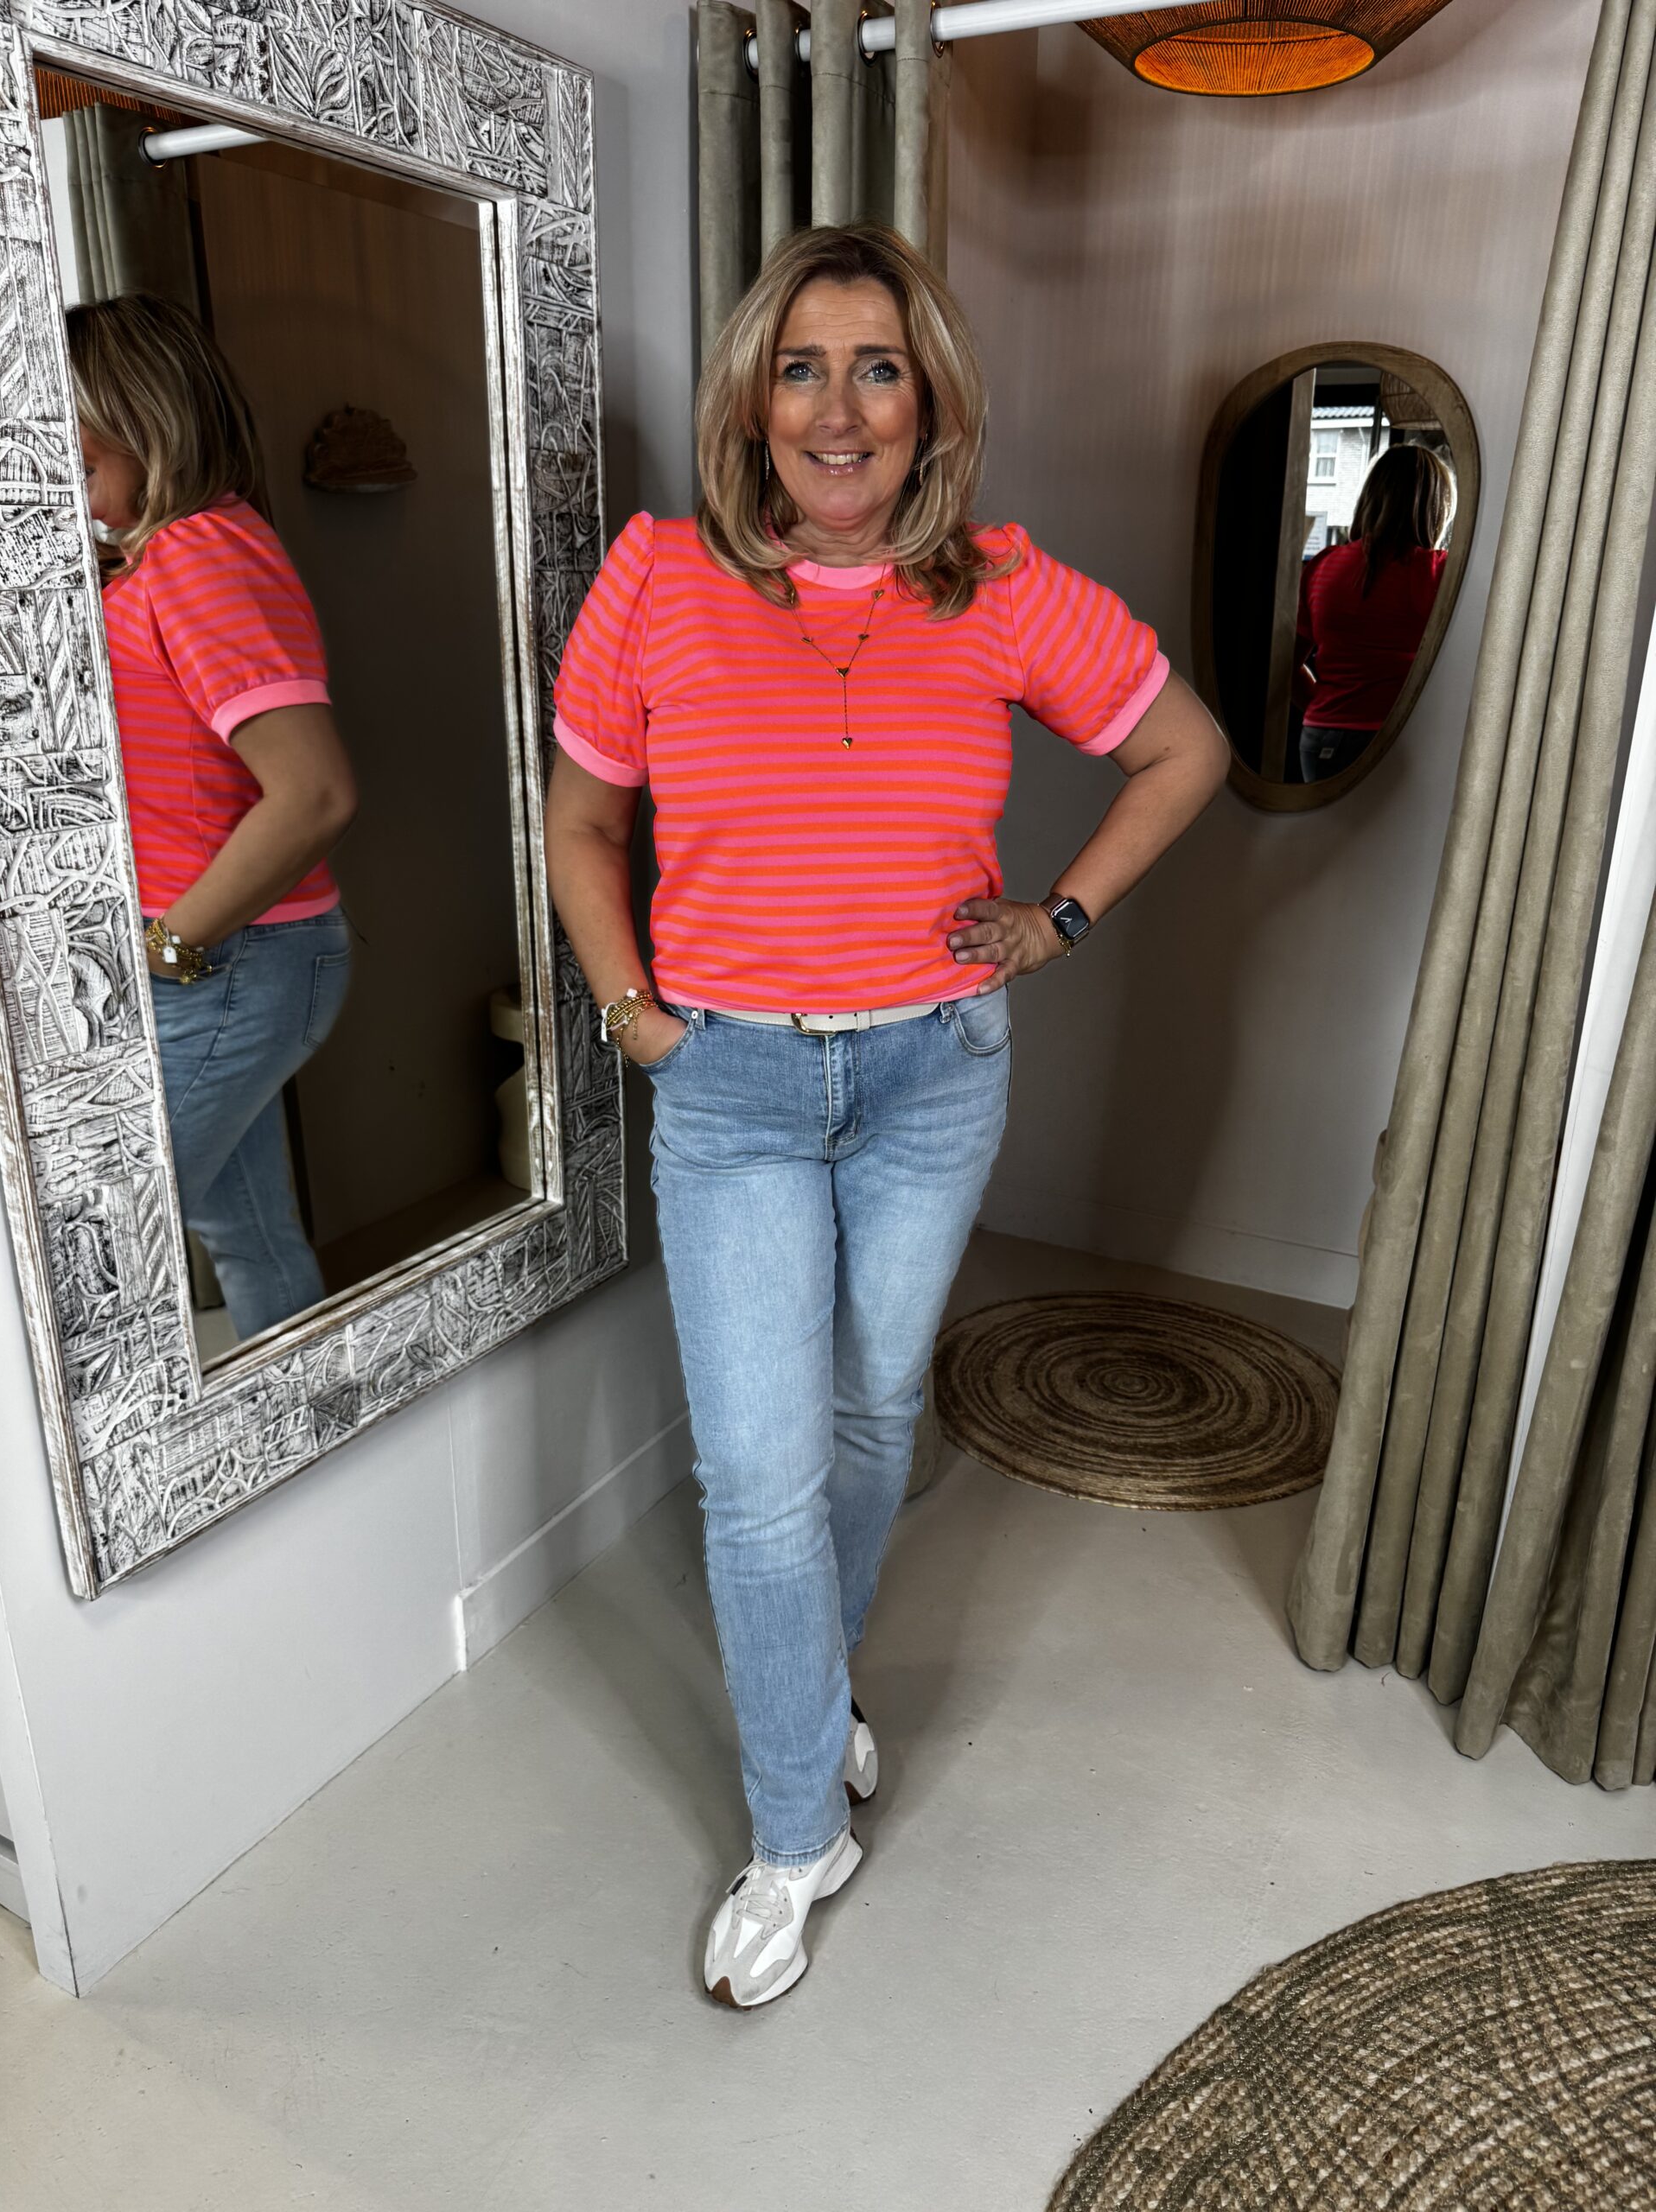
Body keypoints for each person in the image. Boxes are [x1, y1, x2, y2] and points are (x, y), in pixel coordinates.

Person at [545, 224, 1227, 2009]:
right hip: (733, 1084)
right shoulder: (657, 578)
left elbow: (1188, 751)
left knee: (868, 1414)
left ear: (929, 405)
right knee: (756, 1476)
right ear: (751, 405)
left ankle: (816, 1688)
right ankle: (796, 1831)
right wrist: (633, 1014)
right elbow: (581, 823)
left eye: (877, 369)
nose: (838, 411)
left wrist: (1058, 917)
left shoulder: (1002, 586)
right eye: (801, 369)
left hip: (934, 1071)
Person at [69, 294, 358, 1342]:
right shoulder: (172, 555)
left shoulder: (198, 553)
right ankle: (319, 1414)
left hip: (229, 957)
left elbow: (315, 793)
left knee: (103, 1246)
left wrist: (167, 948)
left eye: (75, 438)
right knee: (246, 1231)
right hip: (232, 955)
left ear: (138, 415)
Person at [1295, 443, 1455, 783]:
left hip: (1319, 734)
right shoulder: (1440, 573)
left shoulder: (1324, 565)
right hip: (1394, 736)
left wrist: (1331, 706)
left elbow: (1289, 665)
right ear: (1436, 509)